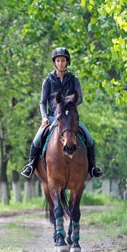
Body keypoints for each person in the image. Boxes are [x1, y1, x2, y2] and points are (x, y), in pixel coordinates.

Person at [21, 47, 103, 179]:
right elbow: (42, 102)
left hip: (70, 118)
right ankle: (30, 165)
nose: (60, 63)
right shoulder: (48, 80)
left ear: (67, 62)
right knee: (36, 140)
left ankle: (93, 167)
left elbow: (80, 98)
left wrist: (68, 106)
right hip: (53, 117)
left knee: (90, 139)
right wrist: (44, 118)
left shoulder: (73, 79)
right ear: (54, 62)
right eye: (58, 60)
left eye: (63, 60)